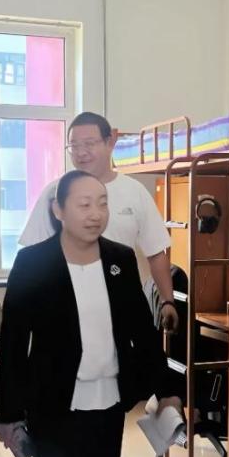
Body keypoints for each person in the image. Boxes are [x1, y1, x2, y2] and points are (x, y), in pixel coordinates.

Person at [0, 171, 182, 457]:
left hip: (109, 406)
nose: (96, 213)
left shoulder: (119, 259)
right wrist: (7, 414)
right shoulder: (33, 262)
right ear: (58, 210)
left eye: (102, 204)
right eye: (84, 205)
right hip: (53, 407)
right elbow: (13, 342)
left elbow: (141, 330)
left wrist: (167, 391)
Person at [19, 112, 179, 335]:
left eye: (89, 143)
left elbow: (156, 252)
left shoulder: (134, 192)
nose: (81, 152)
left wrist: (167, 301)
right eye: (74, 146)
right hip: (64, 308)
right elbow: (32, 257)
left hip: (119, 306)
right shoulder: (54, 194)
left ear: (110, 141)